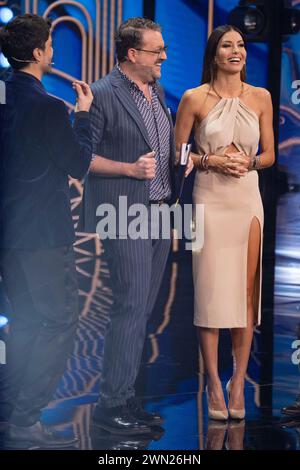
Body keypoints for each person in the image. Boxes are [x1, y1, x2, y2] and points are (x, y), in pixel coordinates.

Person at [79, 17, 193, 435]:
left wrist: (181, 161)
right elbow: (83, 159)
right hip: (124, 212)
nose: (164, 55)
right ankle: (111, 407)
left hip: (160, 211)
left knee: (141, 310)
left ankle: (126, 398)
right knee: (129, 308)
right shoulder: (104, 94)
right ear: (132, 54)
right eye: (156, 49)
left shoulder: (156, 90)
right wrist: (128, 168)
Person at [0, 14, 93, 448]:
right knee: (58, 321)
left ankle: (10, 413)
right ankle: (25, 418)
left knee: (25, 322)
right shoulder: (49, 108)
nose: (54, 51)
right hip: (41, 235)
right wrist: (83, 117)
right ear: (39, 53)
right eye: (51, 44)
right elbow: (77, 164)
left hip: (9, 235)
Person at [175, 25, 275, 420]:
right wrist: (211, 160)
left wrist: (250, 162)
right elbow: (179, 156)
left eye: (241, 46)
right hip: (210, 199)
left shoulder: (262, 97)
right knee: (212, 293)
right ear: (213, 54)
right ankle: (213, 384)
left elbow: (268, 155)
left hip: (247, 198)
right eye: (227, 46)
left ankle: (238, 383)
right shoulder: (194, 98)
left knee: (245, 295)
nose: (236, 51)